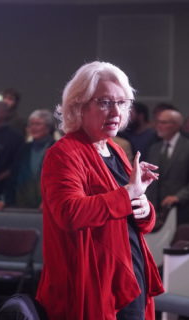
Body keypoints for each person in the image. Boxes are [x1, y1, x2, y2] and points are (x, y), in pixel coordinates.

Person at [36, 61, 164, 320]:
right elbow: (69, 213)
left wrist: (143, 208)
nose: (116, 112)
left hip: (128, 274)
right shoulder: (64, 153)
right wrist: (128, 193)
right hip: (91, 281)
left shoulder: (114, 149)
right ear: (78, 106)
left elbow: (130, 219)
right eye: (105, 102)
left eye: (122, 103)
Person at [146, 110, 189, 224]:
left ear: (176, 125)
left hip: (180, 212)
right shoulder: (154, 148)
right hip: (155, 212)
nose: (159, 126)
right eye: (158, 122)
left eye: (163, 123)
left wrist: (177, 197)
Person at [5, 109, 55, 208]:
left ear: (48, 127)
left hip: (48, 206)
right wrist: (5, 200)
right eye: (31, 124)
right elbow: (14, 177)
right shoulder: (24, 148)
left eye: (38, 124)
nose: (33, 128)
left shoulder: (57, 148)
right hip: (23, 203)